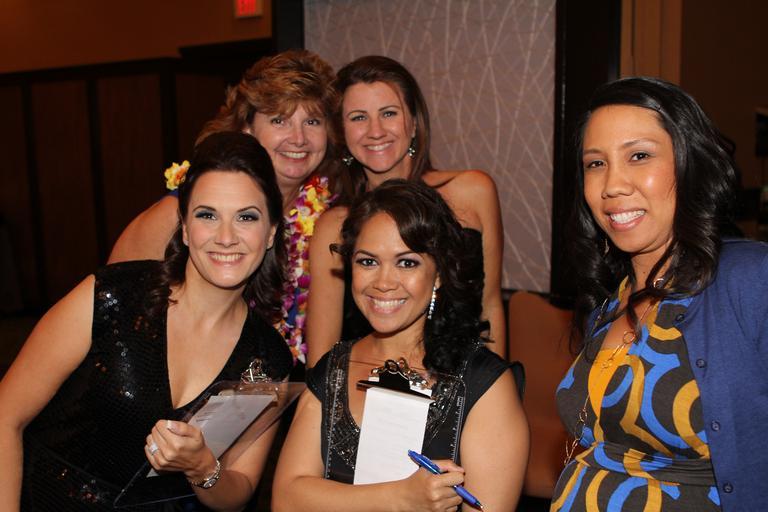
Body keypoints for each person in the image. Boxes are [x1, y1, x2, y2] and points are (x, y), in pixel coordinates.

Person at [0, 132, 294, 511]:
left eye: (246, 217)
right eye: (207, 215)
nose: (226, 237)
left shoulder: (266, 358)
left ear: (270, 233)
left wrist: (203, 466)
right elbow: (7, 415)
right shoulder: (113, 297)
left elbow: (239, 492)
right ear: (184, 228)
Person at [551, 77, 768, 511]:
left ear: (690, 164)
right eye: (596, 163)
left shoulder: (749, 279)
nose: (612, 184)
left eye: (639, 156)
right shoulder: (609, 301)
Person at [273, 180, 528, 512]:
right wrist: (400, 497)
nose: (383, 282)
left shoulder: (482, 384)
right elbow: (286, 500)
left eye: (407, 263)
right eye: (368, 262)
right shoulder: (335, 367)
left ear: (438, 273)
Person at [110, 49, 340, 364]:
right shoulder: (177, 214)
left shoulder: (326, 217)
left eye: (312, 121)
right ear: (247, 128)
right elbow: (110, 312)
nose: (298, 138)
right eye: (279, 120)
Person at [306, 55, 505, 366]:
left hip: (465, 382)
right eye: (358, 117)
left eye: (388, 113)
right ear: (342, 133)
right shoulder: (334, 225)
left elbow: (490, 306)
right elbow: (322, 357)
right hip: (370, 385)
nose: (375, 131)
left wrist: (498, 385)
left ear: (413, 123)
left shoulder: (472, 191)